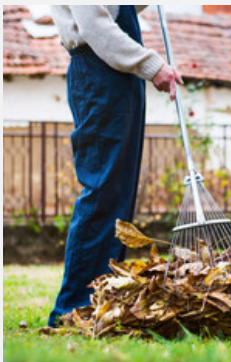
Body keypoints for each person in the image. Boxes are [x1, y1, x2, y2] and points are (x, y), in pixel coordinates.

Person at [47, 5, 182, 327]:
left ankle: (102, 299)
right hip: (100, 72)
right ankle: (74, 308)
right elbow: (96, 26)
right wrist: (152, 65)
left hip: (117, 76)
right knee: (103, 191)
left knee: (118, 195)